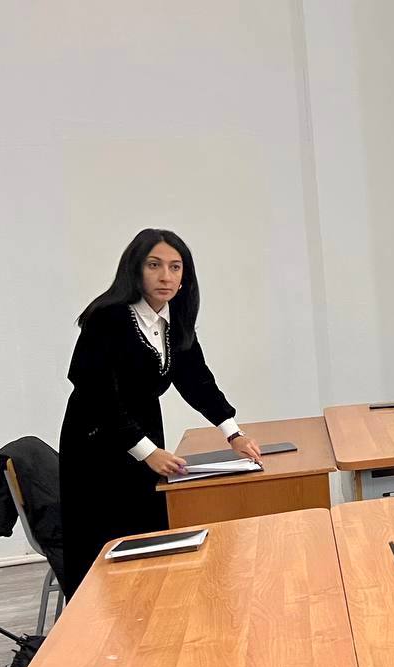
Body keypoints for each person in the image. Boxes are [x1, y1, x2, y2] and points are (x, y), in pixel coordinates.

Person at [59, 229, 260, 598]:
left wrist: (233, 432)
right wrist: (147, 451)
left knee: (148, 529)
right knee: (107, 542)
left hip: (144, 430)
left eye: (175, 267)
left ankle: (150, 608)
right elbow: (95, 392)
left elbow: (197, 380)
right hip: (96, 439)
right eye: (154, 265)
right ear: (135, 269)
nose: (166, 276)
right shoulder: (107, 318)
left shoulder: (174, 319)